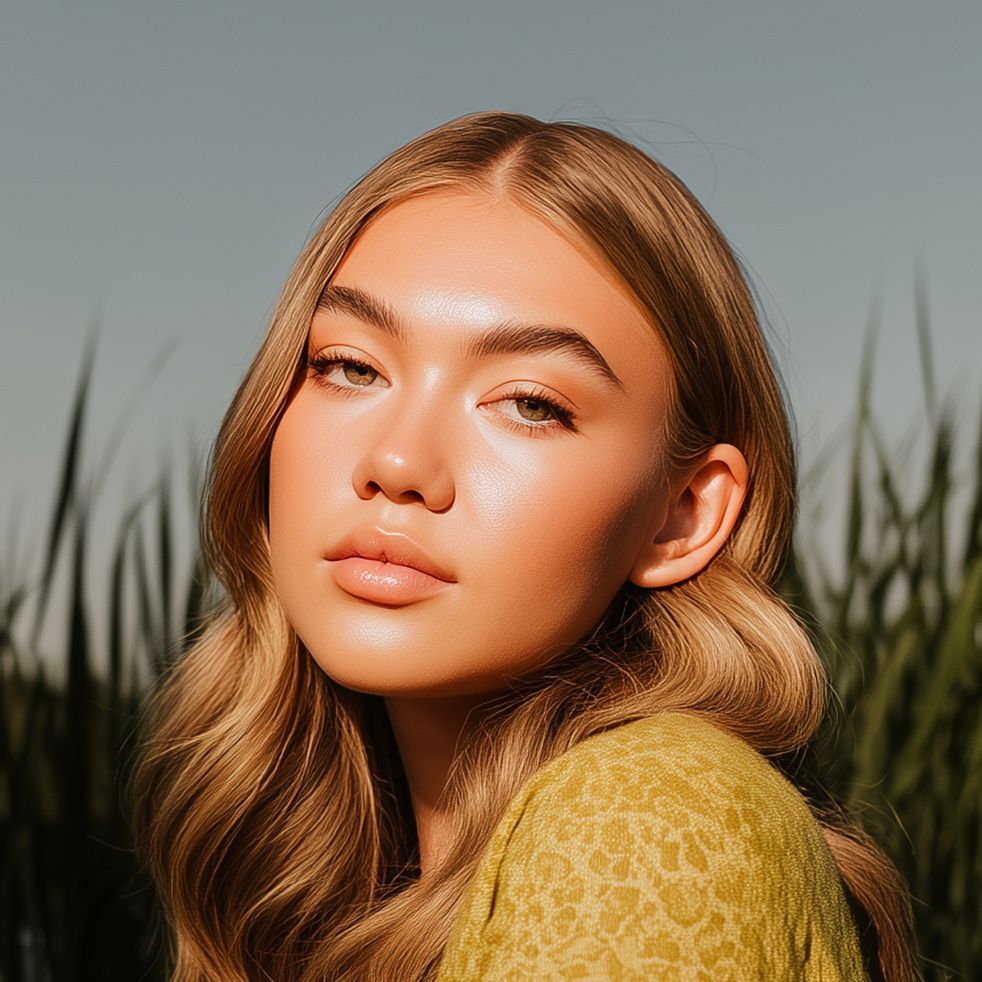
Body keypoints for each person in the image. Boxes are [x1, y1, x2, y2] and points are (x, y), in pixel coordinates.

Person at [131, 111, 917, 980]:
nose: (397, 463)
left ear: (683, 514)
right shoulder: (336, 883)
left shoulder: (646, 821)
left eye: (530, 403)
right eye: (350, 366)